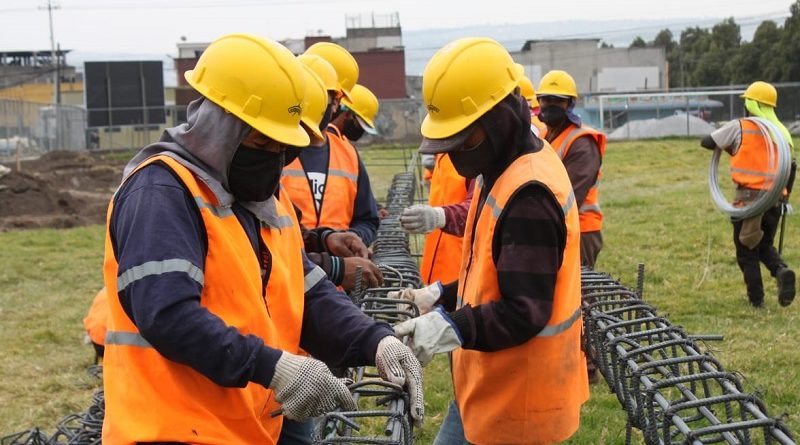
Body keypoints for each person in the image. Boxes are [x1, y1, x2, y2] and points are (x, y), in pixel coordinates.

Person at [100, 33, 422, 444]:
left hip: (245, 427)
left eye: (281, 145)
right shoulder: (162, 191)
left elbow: (307, 293)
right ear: (219, 125)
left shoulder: (259, 198)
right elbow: (167, 314)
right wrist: (274, 367)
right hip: (171, 431)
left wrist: (373, 340)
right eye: (261, 141)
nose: (273, 156)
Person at [392, 37, 588, 445]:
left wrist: (448, 326)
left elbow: (524, 311)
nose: (457, 154)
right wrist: (440, 295)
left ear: (498, 118)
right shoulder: (500, 167)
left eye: (464, 140)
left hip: (521, 403)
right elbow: (489, 272)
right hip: (490, 387)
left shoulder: (530, 193)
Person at [700, 80, 796, 308]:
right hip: (774, 200)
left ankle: (757, 300)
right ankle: (781, 271)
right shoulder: (781, 133)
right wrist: (783, 197)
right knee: (763, 246)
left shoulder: (741, 126)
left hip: (749, 200)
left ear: (751, 105)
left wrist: (733, 145)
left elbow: (708, 142)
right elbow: (791, 168)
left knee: (746, 251)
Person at [281, 43, 380, 246]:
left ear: (336, 102)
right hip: (289, 271)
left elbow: (367, 219)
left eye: (328, 96)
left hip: (342, 275)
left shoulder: (348, 155)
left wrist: (351, 241)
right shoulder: (273, 150)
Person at [537, 70, 606, 269]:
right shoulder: (542, 135)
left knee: (575, 296)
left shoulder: (582, 142)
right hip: (552, 227)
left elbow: (570, 197)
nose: (550, 105)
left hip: (579, 230)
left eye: (557, 100)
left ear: (569, 104)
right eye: (545, 99)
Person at [399, 153, 475, 286]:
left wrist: (439, 216)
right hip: (437, 263)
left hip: (462, 265)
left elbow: (480, 207)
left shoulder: (478, 157)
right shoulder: (444, 152)